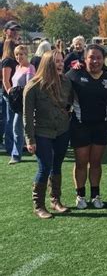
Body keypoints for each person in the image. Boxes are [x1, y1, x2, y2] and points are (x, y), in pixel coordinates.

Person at [24, 50, 73, 219]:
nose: (61, 64)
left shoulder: (66, 82)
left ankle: (55, 200)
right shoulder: (33, 86)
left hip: (62, 130)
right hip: (42, 132)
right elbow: (27, 115)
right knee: (44, 167)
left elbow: (70, 103)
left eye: (61, 61)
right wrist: (30, 139)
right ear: (47, 64)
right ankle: (39, 206)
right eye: (56, 62)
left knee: (57, 165)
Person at [66, 44, 107, 209]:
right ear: (84, 59)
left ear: (103, 59)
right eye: (91, 57)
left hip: (101, 126)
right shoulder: (75, 74)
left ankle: (95, 195)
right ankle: (80, 195)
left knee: (96, 162)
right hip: (80, 126)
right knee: (81, 162)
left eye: (98, 57)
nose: (95, 61)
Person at [8, 45, 35, 164]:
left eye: (21, 54)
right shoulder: (17, 67)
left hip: (25, 103)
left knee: (17, 128)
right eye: (17, 55)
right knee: (20, 129)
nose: (19, 57)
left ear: (26, 54)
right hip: (16, 103)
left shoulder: (30, 68)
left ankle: (16, 155)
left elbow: (29, 87)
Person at [2, 27, 21, 157]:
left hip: (15, 94)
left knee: (14, 121)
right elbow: (5, 80)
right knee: (10, 121)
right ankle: (10, 146)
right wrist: (10, 94)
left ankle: (16, 145)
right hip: (10, 94)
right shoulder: (8, 61)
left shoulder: (13, 60)